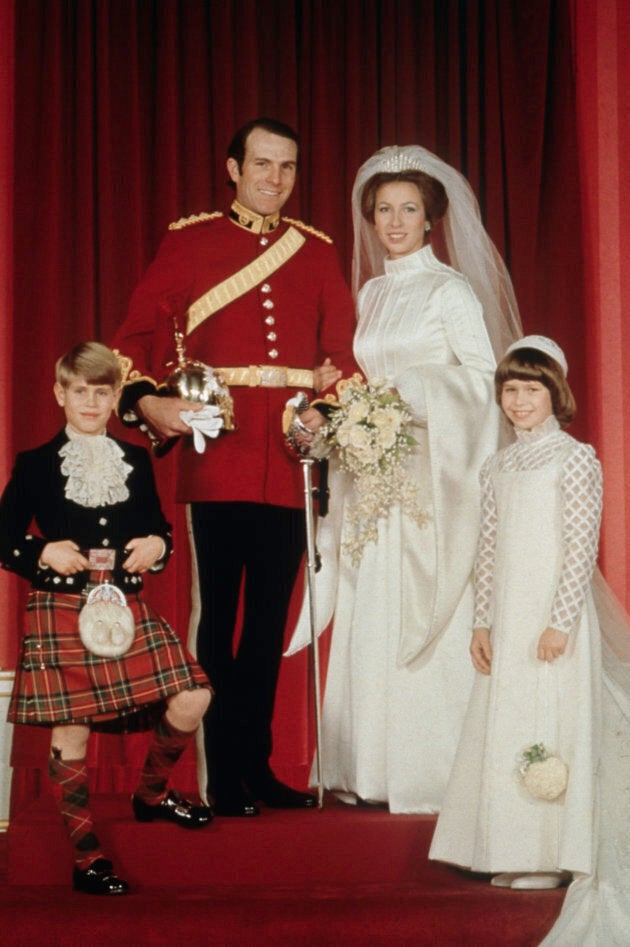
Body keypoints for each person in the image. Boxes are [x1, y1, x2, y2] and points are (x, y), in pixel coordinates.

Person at [112, 117, 359, 817]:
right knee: (217, 618)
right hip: (217, 455)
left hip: (287, 459)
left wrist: (326, 409)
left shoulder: (315, 252)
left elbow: (341, 356)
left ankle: (257, 765)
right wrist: (147, 403)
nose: (274, 179)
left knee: (269, 624)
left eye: (287, 167)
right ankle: (221, 773)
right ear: (232, 168)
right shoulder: (190, 241)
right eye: (262, 164)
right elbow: (131, 339)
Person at [287, 145, 521, 812]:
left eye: (408, 209)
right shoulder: (373, 290)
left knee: (423, 599)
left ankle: (431, 766)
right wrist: (349, 414)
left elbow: (483, 381)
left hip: (430, 480)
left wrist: (400, 400)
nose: (394, 221)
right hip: (372, 474)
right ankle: (368, 766)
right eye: (384, 209)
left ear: (431, 219)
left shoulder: (451, 289)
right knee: (372, 600)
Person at [430, 337, 630, 944]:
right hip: (509, 617)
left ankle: (549, 851)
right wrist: (482, 621)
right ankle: (512, 847)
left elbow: (579, 546)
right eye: (511, 390)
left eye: (532, 390)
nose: (520, 401)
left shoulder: (574, 458)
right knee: (509, 720)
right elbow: (487, 552)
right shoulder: (499, 465)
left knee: (551, 719)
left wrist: (560, 621)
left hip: (551, 618)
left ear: (555, 394)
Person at [0, 342, 213, 896]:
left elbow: (158, 529)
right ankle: (86, 857)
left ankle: (151, 794)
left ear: (117, 397)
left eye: (101, 392)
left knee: (192, 696)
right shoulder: (35, 464)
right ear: (59, 393)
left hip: (120, 598)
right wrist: (41, 553)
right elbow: (2, 537)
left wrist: (155, 544)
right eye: (79, 392)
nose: (90, 403)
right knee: (72, 726)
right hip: (60, 603)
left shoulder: (136, 460)